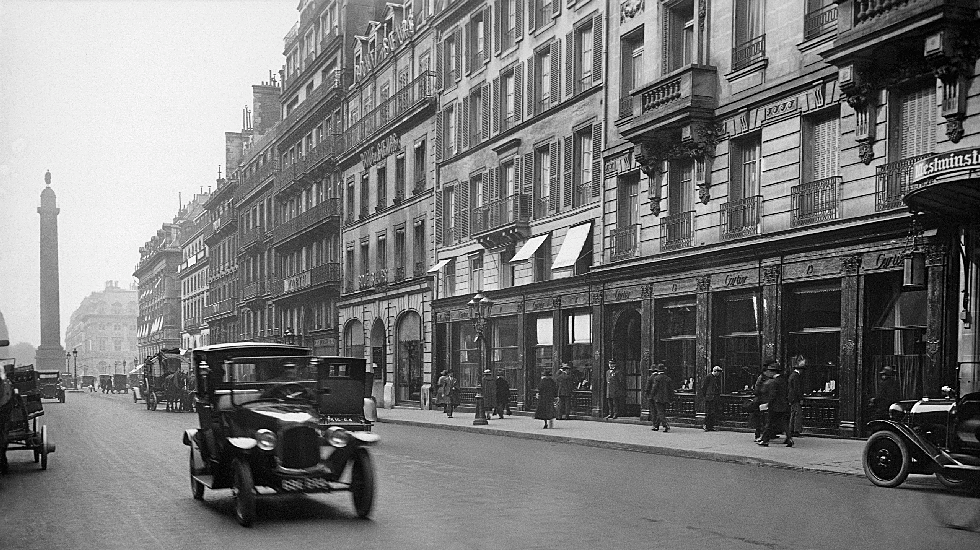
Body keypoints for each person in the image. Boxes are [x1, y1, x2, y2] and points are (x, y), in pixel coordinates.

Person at [758, 362, 793, 447]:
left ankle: (765, 440)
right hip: (784, 405)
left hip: (775, 406)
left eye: (770, 371)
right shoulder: (784, 381)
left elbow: (773, 395)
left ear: (773, 372)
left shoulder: (774, 382)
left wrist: (767, 404)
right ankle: (789, 439)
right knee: (784, 424)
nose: (768, 373)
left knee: (769, 424)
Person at [645, 364, 674, 432]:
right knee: (661, 412)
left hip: (658, 398)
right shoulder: (668, 378)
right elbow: (671, 390)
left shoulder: (657, 378)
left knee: (660, 412)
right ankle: (656, 426)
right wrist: (671, 398)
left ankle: (665, 425)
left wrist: (651, 396)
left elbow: (654, 388)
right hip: (665, 398)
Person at [699, 366, 723, 431]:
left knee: (713, 412)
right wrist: (706, 395)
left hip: (714, 397)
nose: (719, 374)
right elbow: (704, 387)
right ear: (715, 371)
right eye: (718, 372)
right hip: (709, 397)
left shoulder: (716, 378)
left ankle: (711, 426)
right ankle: (706, 425)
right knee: (709, 412)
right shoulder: (708, 377)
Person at [787, 356, 805, 437]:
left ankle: (791, 429)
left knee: (793, 413)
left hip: (791, 398)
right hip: (795, 398)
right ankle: (796, 430)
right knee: (797, 414)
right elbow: (797, 389)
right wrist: (801, 398)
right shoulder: (796, 376)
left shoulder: (792, 375)